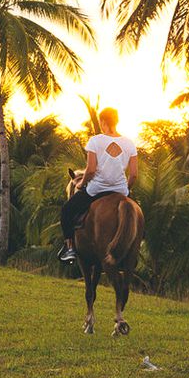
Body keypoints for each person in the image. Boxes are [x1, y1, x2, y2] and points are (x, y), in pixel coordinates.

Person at [59, 107, 137, 263]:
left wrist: (81, 184)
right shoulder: (129, 143)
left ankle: (70, 249)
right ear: (117, 121)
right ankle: (136, 245)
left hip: (97, 190)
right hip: (121, 190)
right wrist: (125, 189)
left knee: (66, 210)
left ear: (102, 122)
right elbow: (134, 174)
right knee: (135, 212)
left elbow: (91, 170)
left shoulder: (95, 141)